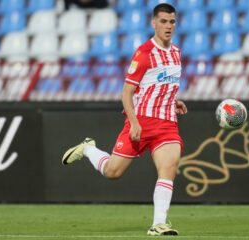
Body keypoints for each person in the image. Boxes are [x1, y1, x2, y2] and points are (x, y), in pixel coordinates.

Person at [62, 3, 187, 236]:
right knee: (112, 172)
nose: (168, 26)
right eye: (163, 21)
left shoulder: (176, 52)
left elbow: (162, 83)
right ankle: (88, 149)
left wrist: (173, 100)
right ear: (154, 23)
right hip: (141, 123)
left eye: (172, 22)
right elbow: (126, 92)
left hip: (167, 124)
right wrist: (136, 123)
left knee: (169, 167)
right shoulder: (144, 53)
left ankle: (159, 224)